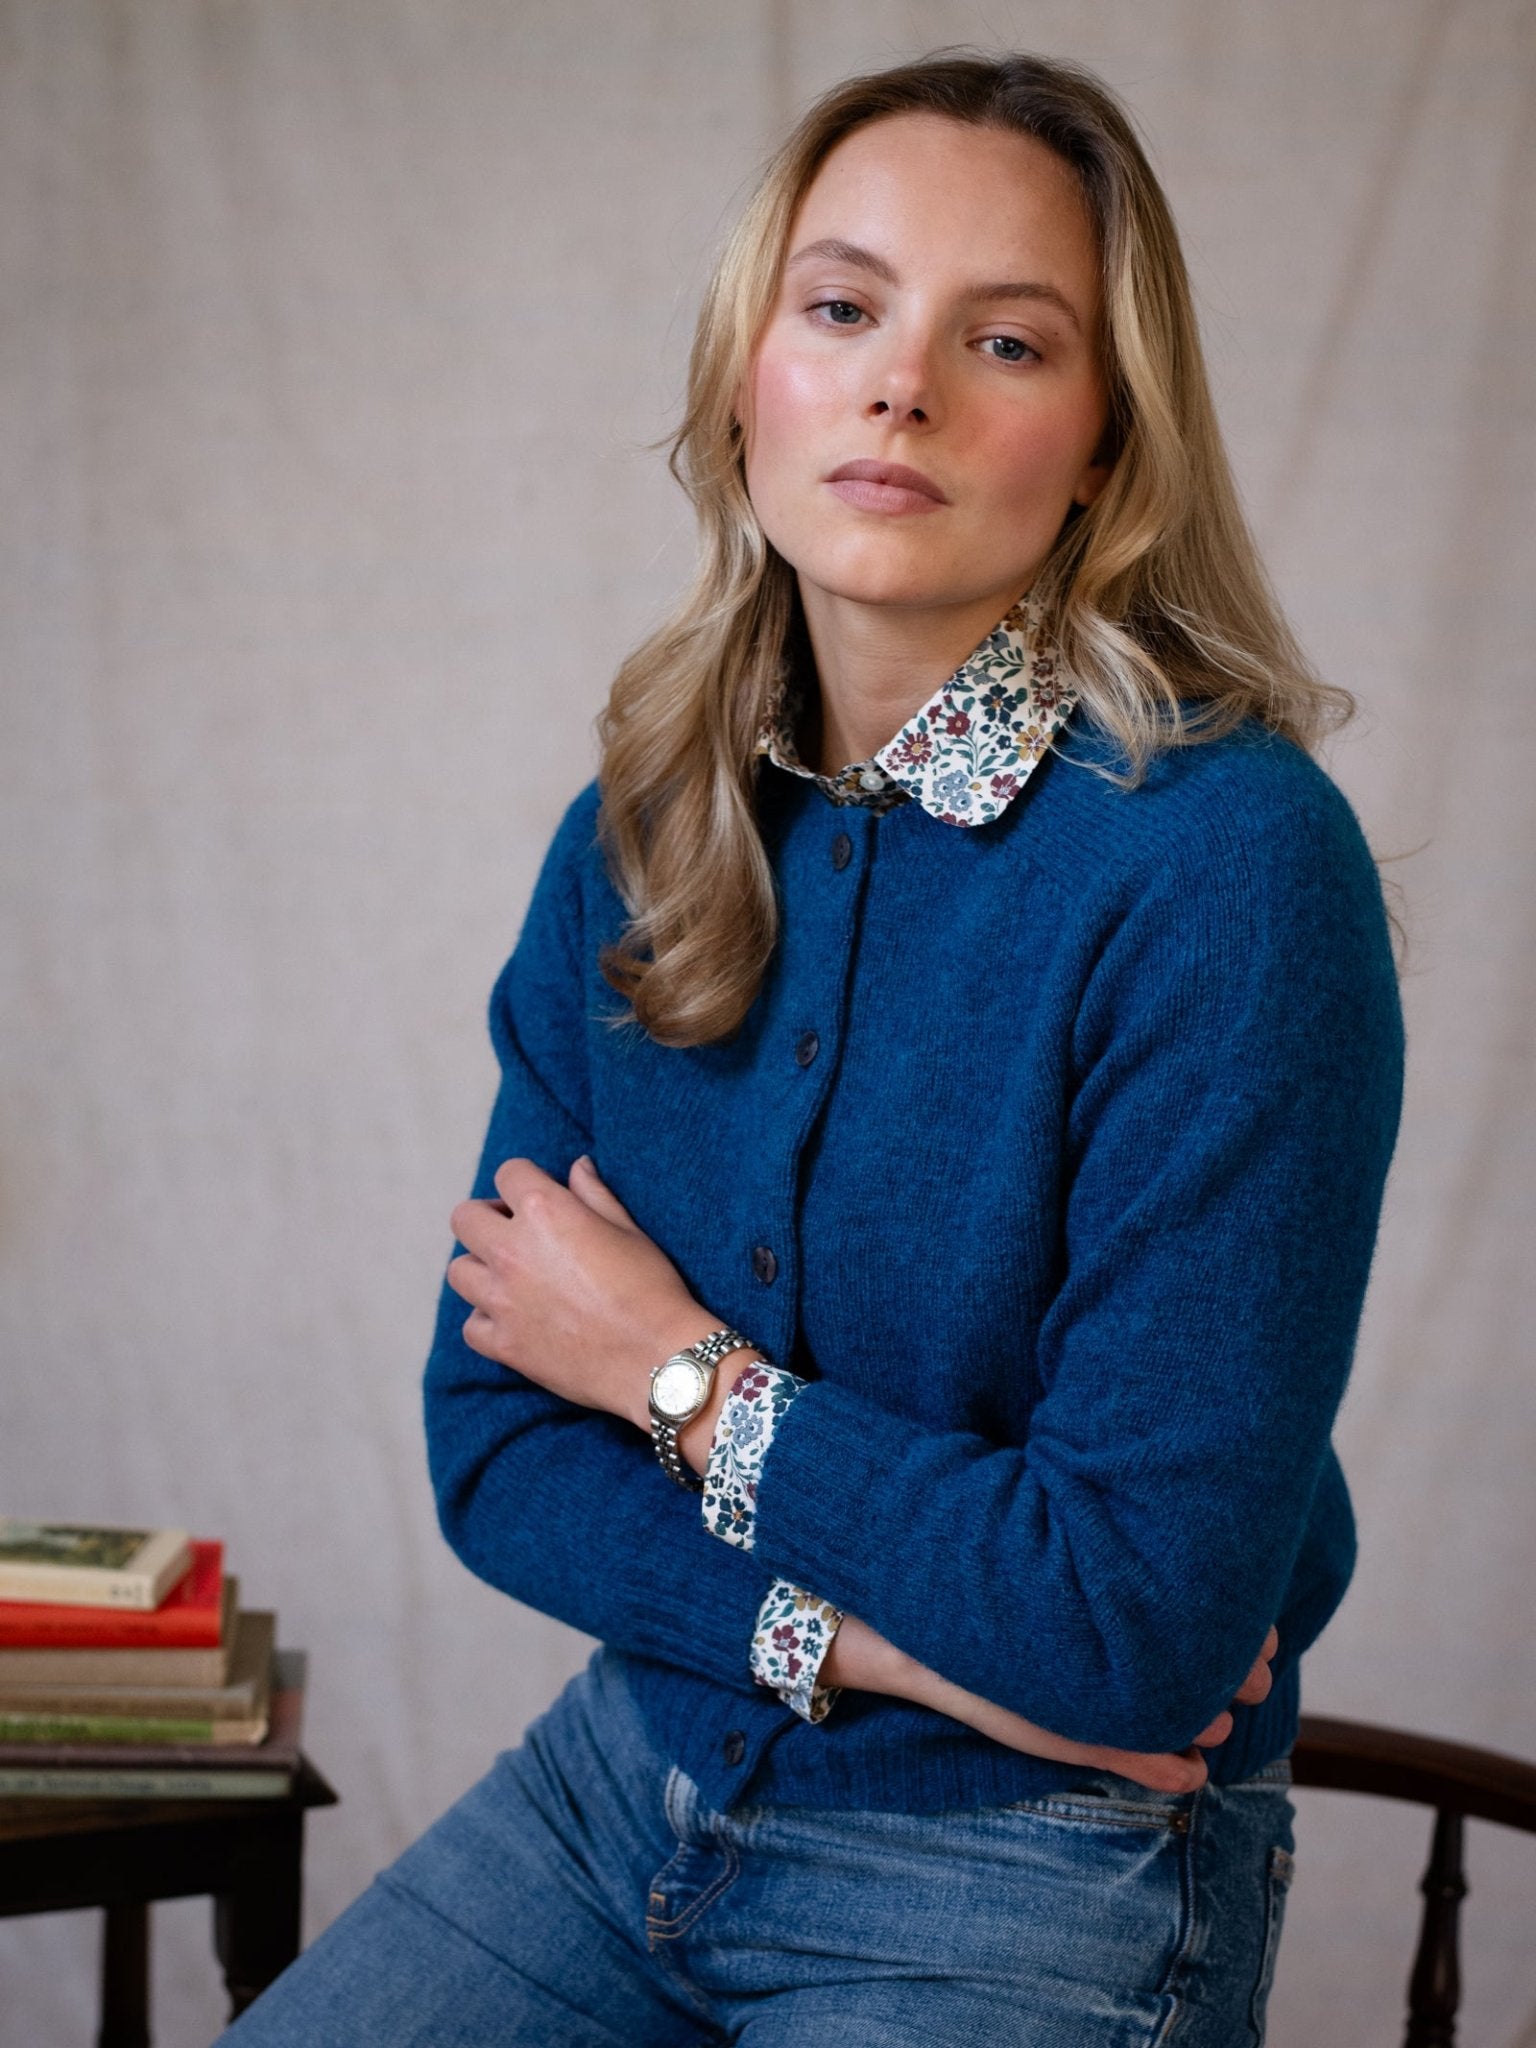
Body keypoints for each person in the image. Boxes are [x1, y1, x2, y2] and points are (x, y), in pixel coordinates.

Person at [222, 49, 1403, 2046]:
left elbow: (1128, 1627)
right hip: (633, 1782)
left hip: (1034, 1856)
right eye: (843, 307)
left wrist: (670, 1373)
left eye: (1005, 340)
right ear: (745, 378)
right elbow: (495, 1444)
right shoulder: (643, 832)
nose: (902, 385)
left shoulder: (1226, 870)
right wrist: (884, 1643)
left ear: (1108, 440)